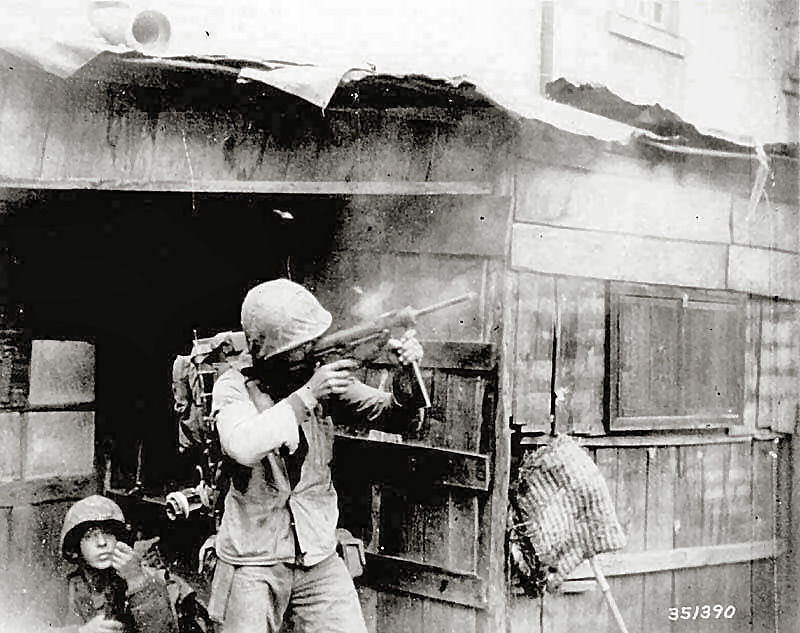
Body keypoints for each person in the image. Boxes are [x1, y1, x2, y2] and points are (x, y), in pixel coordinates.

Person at [207, 279, 425, 633]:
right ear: (272, 352)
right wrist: (307, 395)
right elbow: (242, 445)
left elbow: (396, 416)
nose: (312, 351)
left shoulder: (315, 378)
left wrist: (404, 374)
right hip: (252, 561)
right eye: (301, 346)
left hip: (317, 554)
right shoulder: (233, 386)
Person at [56, 495, 179, 633]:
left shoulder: (149, 580)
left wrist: (136, 580)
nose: (102, 542)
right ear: (75, 549)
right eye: (89, 536)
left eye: (108, 533)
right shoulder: (63, 589)